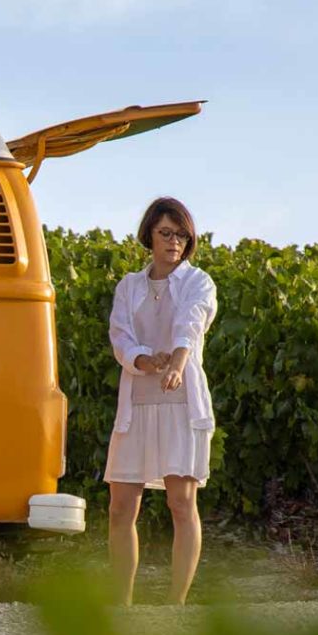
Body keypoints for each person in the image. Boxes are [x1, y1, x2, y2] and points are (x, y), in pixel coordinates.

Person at [105, 196, 218, 604]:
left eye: (182, 235)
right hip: (136, 403)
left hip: (181, 403)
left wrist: (176, 364)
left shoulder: (198, 281)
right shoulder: (129, 286)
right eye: (166, 233)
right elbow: (120, 337)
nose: (174, 242)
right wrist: (142, 359)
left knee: (181, 503)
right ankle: (122, 604)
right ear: (149, 235)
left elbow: (192, 323)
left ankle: (176, 605)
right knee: (121, 508)